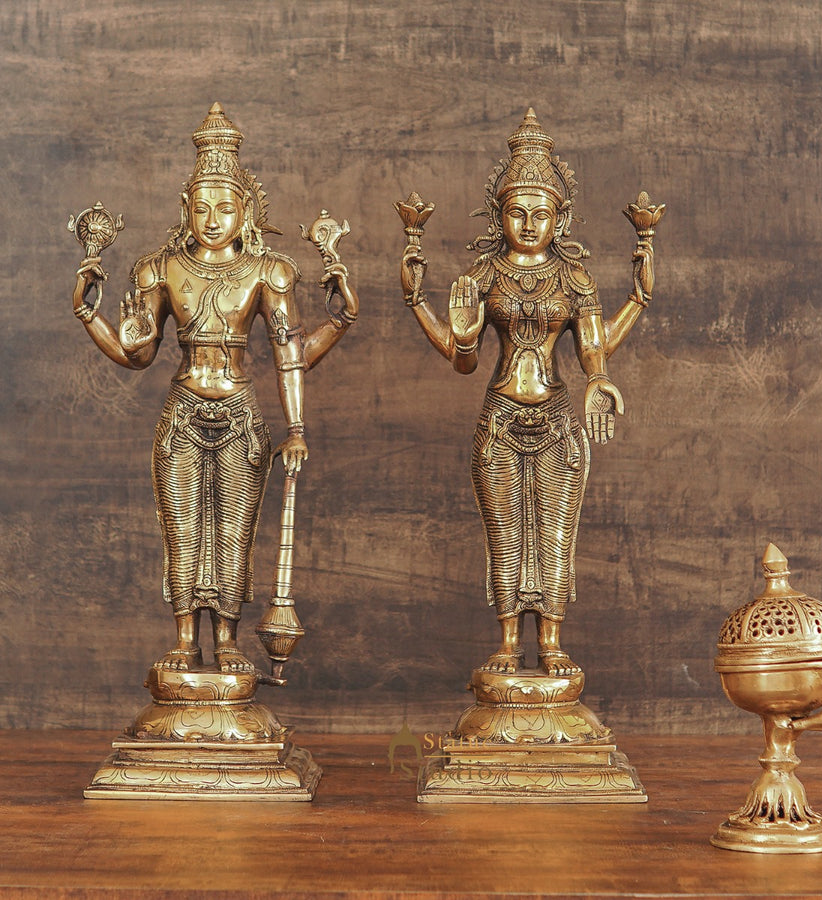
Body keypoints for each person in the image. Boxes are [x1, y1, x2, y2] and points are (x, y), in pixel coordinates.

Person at [71, 104, 358, 674]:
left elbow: (290, 353)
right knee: (181, 528)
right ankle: (185, 638)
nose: (211, 219)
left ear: (245, 210)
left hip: (240, 415)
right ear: (185, 207)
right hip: (182, 411)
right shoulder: (160, 268)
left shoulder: (267, 271)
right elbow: (136, 354)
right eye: (200, 207)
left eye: (225, 207)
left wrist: (299, 421)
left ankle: (227, 638)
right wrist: (88, 313)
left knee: (232, 531)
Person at [400, 109, 653, 677]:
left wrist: (604, 370)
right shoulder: (483, 276)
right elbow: (462, 360)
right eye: (517, 212)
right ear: (499, 215)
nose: (530, 224)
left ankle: (553, 641)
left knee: (557, 533)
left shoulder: (574, 278)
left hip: (557, 419)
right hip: (500, 419)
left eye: (542, 214)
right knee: (506, 534)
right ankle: (509, 641)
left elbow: (593, 348)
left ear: (561, 219)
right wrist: (423, 304)